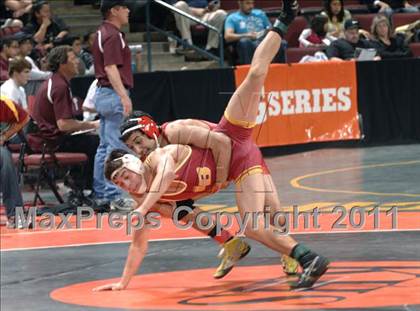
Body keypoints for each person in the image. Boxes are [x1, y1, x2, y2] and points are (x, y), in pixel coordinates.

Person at [97, 0, 330, 291]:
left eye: (138, 142)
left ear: (148, 130)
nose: (139, 149)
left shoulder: (171, 136)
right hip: (235, 163)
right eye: (134, 148)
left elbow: (219, 140)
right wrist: (123, 282)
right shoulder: (149, 178)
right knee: (191, 211)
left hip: (232, 137)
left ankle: (284, 20)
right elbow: (139, 242)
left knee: (256, 74)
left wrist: (219, 178)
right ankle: (247, 246)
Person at [29, 46, 99, 193]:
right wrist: (92, 124)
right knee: (93, 142)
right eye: (73, 59)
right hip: (49, 143)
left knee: (87, 139)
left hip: (45, 138)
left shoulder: (55, 82)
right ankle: (85, 189)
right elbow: (64, 125)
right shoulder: (59, 86)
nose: (77, 62)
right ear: (62, 63)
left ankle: (74, 183)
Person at [91, 0, 135, 210]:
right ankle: (113, 195)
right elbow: (110, 67)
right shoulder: (113, 35)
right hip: (112, 92)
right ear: (114, 10)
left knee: (104, 147)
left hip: (103, 93)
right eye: (124, 7)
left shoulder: (101, 32)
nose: (128, 10)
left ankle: (101, 194)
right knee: (116, 146)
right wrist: (123, 96)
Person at [224, 0, 287, 65]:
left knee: (281, 42)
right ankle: (248, 69)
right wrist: (247, 35)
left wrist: (268, 31)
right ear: (240, 3)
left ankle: (280, 69)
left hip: (263, 41)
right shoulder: (232, 18)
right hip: (249, 43)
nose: (251, 6)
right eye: (248, 3)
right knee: (244, 42)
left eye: (252, 3)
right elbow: (228, 36)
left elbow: (270, 28)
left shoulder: (260, 13)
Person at [0, 96, 29, 228]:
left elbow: (24, 118)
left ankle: (15, 214)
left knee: (4, 157)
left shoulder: (3, 102)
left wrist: (5, 135)